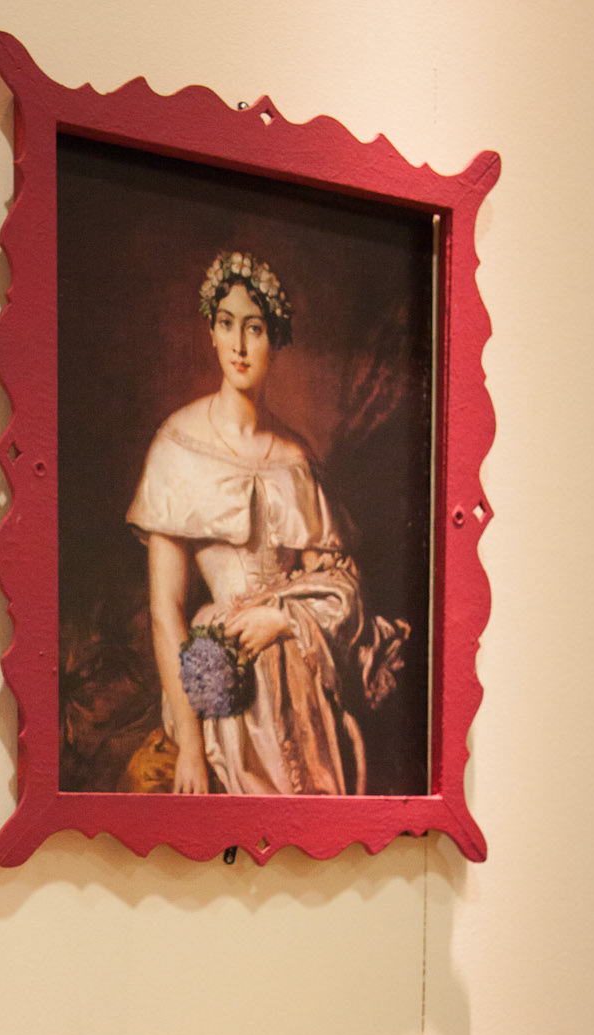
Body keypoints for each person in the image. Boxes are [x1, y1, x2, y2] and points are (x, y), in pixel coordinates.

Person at [125, 250, 406, 797]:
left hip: (298, 682)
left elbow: (340, 587)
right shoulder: (176, 444)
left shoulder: (296, 457)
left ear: (274, 340)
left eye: (254, 329)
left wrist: (282, 620)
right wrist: (188, 742)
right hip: (221, 682)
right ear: (210, 331)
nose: (238, 345)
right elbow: (165, 609)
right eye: (226, 325)